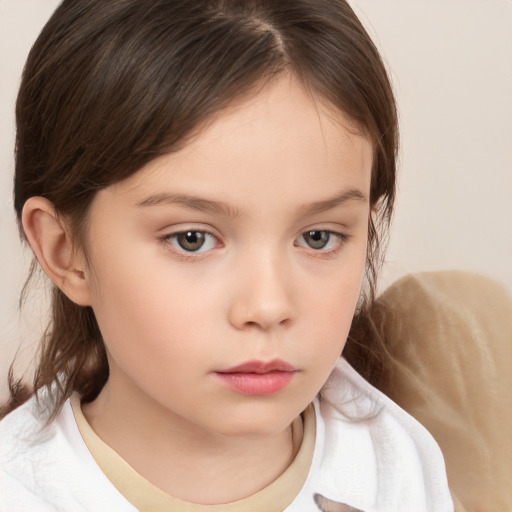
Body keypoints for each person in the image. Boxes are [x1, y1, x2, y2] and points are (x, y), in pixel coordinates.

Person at [0, 1, 453, 510]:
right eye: (192, 239)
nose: (267, 307)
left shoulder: (394, 466)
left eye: (319, 237)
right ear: (65, 251)